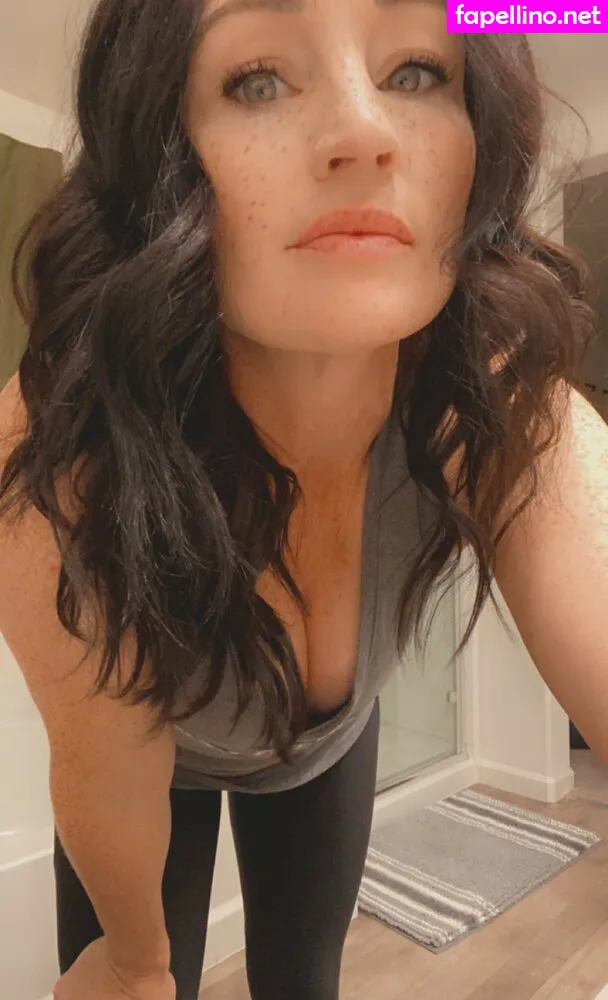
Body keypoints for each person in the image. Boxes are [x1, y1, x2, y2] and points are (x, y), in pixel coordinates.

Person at [0, 1, 606, 999]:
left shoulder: (490, 397)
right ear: (160, 162)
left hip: (326, 751)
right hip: (152, 765)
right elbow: (104, 764)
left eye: (415, 71)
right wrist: (135, 961)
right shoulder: (62, 434)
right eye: (256, 79)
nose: (364, 132)